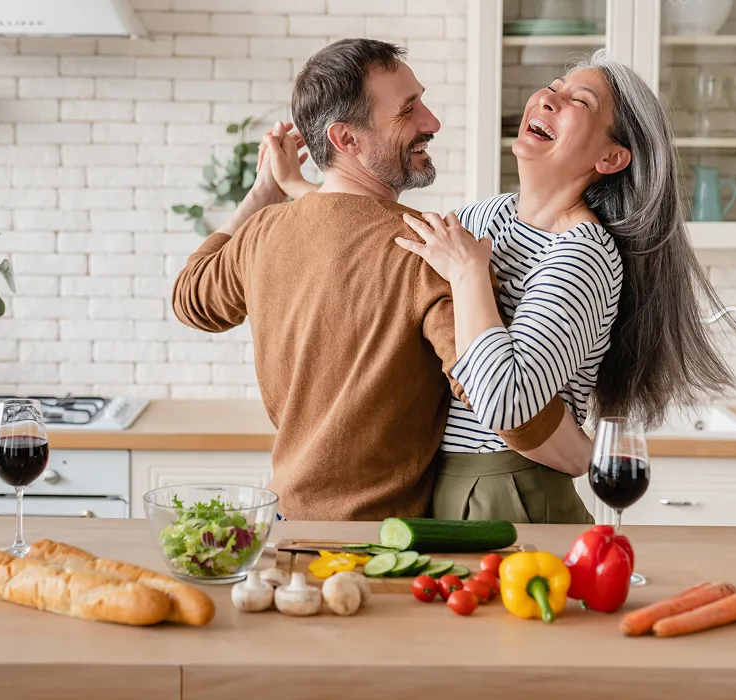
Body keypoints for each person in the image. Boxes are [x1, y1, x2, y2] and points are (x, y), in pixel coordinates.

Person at [263, 48, 736, 523]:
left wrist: (471, 275)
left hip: (514, 489)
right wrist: (300, 187)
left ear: (611, 156)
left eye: (582, 102)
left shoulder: (583, 254)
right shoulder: (491, 216)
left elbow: (507, 401)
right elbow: (392, 238)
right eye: (553, 88)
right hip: (444, 484)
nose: (548, 99)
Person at [171, 38, 591, 521]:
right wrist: (585, 454)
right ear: (346, 140)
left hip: (285, 524)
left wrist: (261, 194)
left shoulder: (263, 232)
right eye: (407, 111)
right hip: (378, 543)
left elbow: (191, 299)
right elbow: (503, 405)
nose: (431, 122)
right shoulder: (426, 251)